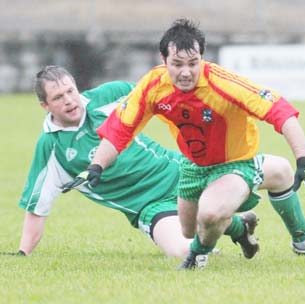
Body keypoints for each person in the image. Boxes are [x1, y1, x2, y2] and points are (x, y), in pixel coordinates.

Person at [64, 18, 305, 270]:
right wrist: (95, 166)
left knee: (211, 214)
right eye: (177, 64)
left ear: (203, 57)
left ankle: (207, 256)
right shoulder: (153, 86)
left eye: (193, 63)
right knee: (189, 228)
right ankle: (242, 227)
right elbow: (120, 128)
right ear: (163, 60)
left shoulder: (222, 84)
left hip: (234, 164)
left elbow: (281, 112)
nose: (186, 71)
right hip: (193, 166)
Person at [5, 65, 250, 258]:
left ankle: (276, 226)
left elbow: (159, 94)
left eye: (71, 91)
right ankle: (239, 226)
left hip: (179, 173)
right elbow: (37, 208)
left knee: (261, 172)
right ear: (44, 106)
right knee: (182, 252)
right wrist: (23, 252)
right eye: (58, 97)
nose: (69, 100)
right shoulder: (51, 148)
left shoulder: (109, 96)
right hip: (147, 207)